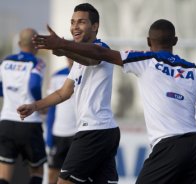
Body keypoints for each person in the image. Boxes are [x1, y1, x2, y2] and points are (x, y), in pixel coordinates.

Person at [29, 19, 196, 184]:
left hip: (169, 146)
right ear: (175, 40)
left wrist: (61, 44)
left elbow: (100, 53)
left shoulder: (145, 59)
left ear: (148, 41)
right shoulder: (194, 70)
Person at [17, 3, 120, 184]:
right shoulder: (77, 60)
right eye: (72, 22)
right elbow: (64, 92)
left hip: (93, 131)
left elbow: (92, 58)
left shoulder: (100, 47)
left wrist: (63, 47)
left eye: (81, 22)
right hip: (104, 131)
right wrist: (35, 106)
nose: (75, 27)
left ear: (95, 26)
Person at [0, 28, 47, 184]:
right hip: (29, 122)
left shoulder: (5, 61)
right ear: (36, 44)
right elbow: (33, 84)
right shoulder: (37, 62)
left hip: (6, 121)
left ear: (19, 43)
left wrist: (10, 94)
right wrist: (39, 104)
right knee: (37, 170)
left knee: (4, 172)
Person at [45, 57, 76, 184]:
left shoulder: (87, 72)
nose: (71, 59)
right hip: (59, 133)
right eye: (68, 56)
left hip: (77, 133)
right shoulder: (57, 76)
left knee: (75, 176)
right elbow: (51, 107)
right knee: (53, 174)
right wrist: (49, 134)